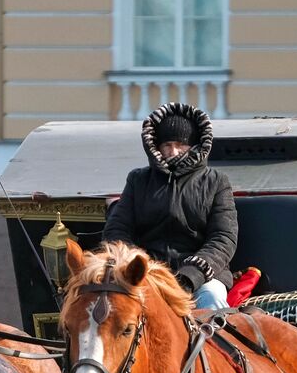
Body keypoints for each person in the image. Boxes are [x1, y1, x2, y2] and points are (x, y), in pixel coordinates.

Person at [102, 102, 238, 310]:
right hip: (147, 274)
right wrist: (138, 265)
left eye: (180, 144)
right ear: (155, 147)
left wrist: (191, 275)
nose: (173, 151)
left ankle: (214, 343)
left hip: (202, 278)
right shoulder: (138, 180)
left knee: (211, 299)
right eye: (166, 145)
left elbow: (223, 239)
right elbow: (117, 230)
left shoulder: (216, 181)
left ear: (194, 145)